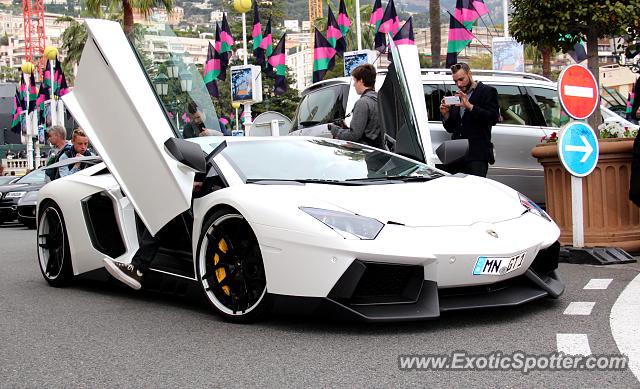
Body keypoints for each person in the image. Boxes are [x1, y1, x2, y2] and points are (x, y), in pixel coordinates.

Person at [439, 62, 499, 177]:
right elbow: (452, 128)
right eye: (455, 81)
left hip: (477, 155)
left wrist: (470, 107)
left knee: (475, 192)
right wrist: (446, 114)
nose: (459, 84)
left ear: (469, 74)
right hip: (456, 154)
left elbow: (493, 118)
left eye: (461, 79)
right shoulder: (457, 95)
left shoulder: (487, 91)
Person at [327, 64, 384, 149]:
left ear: (361, 81)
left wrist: (334, 130)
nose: (354, 85)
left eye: (355, 81)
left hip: (366, 152)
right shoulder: (380, 99)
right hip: (380, 151)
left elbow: (354, 136)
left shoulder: (363, 103)